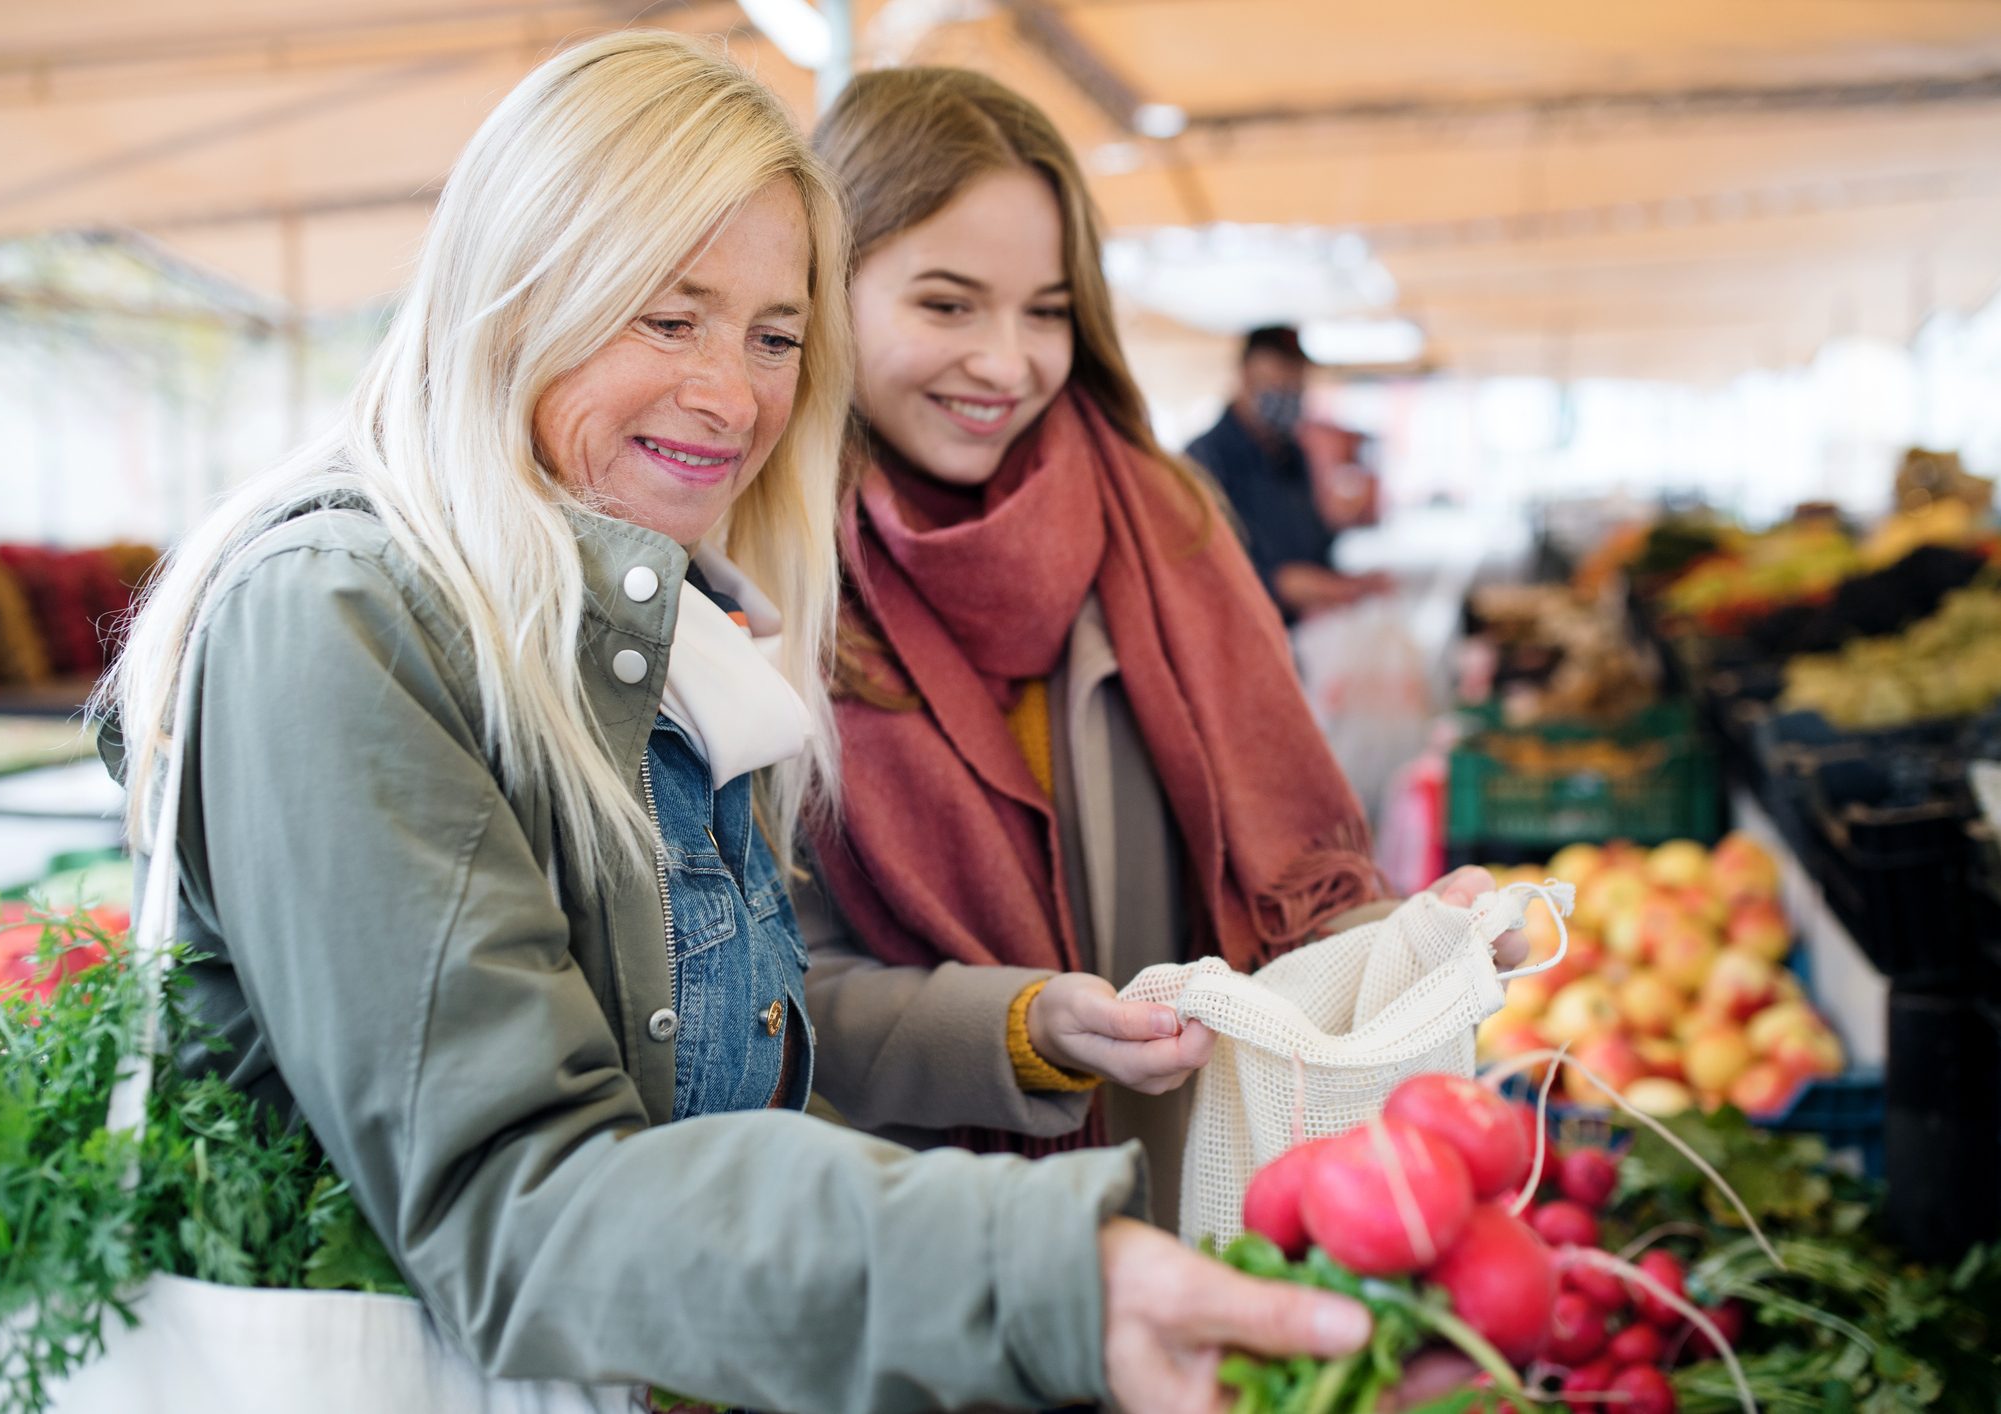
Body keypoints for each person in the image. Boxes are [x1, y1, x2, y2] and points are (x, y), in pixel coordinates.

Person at [91, 34, 1377, 1414]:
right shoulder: (335, 621)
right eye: (667, 315)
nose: (735, 396)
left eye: (773, 337)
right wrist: (1037, 1270)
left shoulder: (666, 613)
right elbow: (516, 1190)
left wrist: (1017, 1030)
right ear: (519, 289)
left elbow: (709, 1041)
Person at [802, 67, 1521, 1231]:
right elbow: (779, 985)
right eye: (946, 305)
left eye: (1045, 310)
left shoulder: (1166, 524)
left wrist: (1404, 941)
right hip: (923, 1246)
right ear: (829, 292)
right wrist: (1018, 1026)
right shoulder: (769, 580)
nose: (1006, 362)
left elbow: (1284, 878)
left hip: (1194, 1197)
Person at [1185, 326, 1391, 619]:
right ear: (1245, 373)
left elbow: (1312, 547)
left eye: (1298, 377)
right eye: (1279, 374)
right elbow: (1202, 570)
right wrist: (1280, 583)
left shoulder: (1293, 455)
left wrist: (1345, 581)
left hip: (1298, 635)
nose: (1291, 385)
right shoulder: (1203, 460)